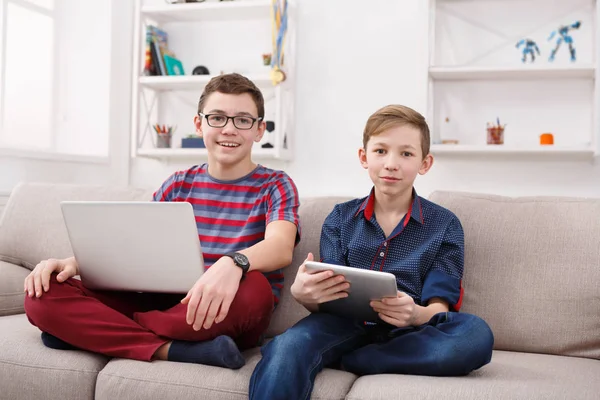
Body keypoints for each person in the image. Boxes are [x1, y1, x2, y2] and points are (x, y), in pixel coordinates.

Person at [23, 73, 300, 370]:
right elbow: (136, 245)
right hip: (164, 301)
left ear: (259, 130)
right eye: (217, 118)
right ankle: (172, 349)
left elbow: (280, 246)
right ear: (199, 125)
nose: (229, 129)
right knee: (43, 293)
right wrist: (72, 263)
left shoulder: (276, 184)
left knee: (257, 288)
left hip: (223, 308)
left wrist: (232, 263)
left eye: (243, 120)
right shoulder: (179, 184)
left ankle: (93, 331)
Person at [249, 105, 493, 399]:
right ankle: (346, 353)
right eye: (380, 151)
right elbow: (330, 297)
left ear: (424, 163)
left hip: (408, 332)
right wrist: (305, 296)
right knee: (289, 345)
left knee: (475, 335)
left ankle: (354, 359)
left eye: (406, 154)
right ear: (364, 157)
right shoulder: (340, 218)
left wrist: (415, 314)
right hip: (341, 324)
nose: (391, 163)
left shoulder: (445, 225)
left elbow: (439, 309)